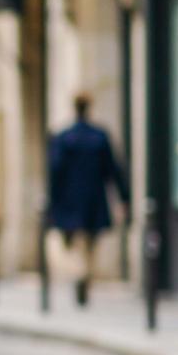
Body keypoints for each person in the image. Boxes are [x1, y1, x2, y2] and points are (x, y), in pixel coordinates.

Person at [47, 93, 130, 306]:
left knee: (75, 241)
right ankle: (85, 274)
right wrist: (123, 197)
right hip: (94, 197)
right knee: (90, 241)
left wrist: (52, 203)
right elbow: (113, 170)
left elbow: (55, 172)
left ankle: (80, 274)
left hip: (70, 197)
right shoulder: (99, 136)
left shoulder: (64, 137)